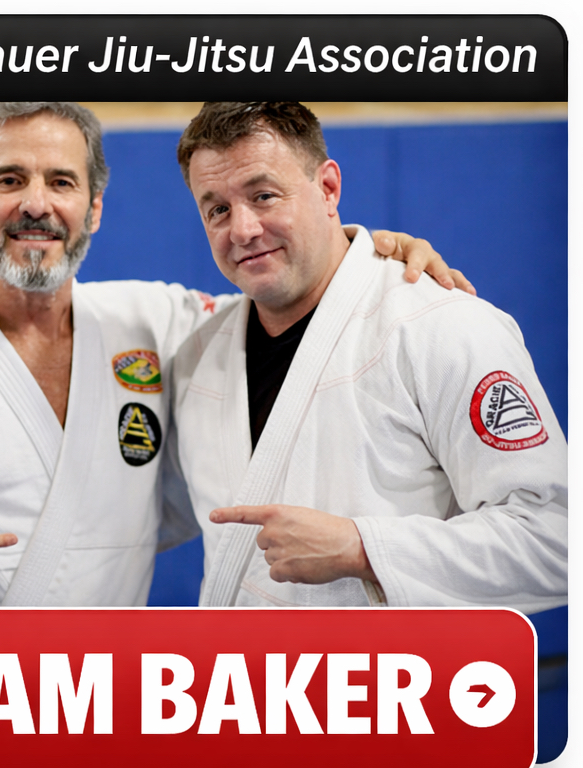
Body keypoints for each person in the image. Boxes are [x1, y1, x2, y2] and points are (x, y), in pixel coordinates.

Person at [0, 101, 467, 607]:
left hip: (106, 700)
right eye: (9, 180)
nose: (36, 204)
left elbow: (282, 295)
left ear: (95, 208)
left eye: (62, 182)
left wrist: (363, 253)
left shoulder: (154, 322)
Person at [172, 102, 567, 613]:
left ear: (328, 188)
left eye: (264, 196)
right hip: (242, 665)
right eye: (217, 210)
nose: (242, 229)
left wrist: (364, 549)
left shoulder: (441, 326)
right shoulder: (198, 353)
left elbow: (556, 539)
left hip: (399, 666)